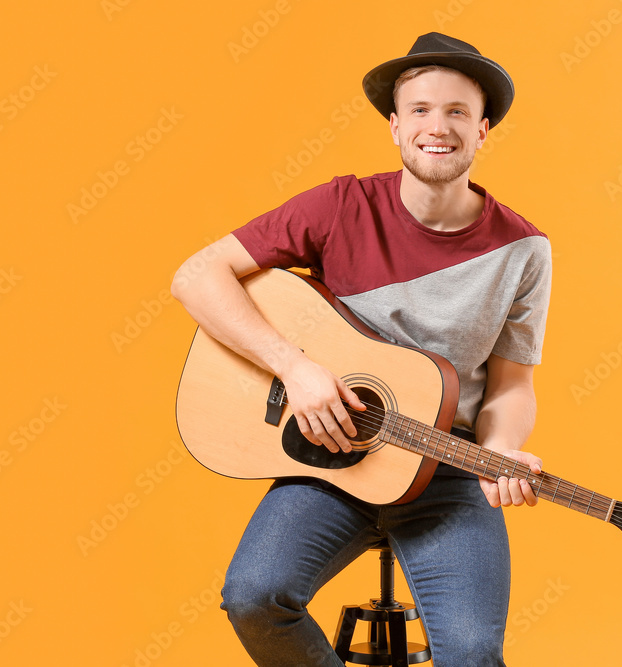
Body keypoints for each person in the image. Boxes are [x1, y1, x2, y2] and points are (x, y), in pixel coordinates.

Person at [172, 32, 552, 666]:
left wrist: (501, 452)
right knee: (254, 596)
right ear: (396, 128)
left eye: (458, 111)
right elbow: (196, 276)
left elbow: (512, 383)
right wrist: (294, 367)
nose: (440, 127)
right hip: (332, 465)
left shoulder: (524, 251)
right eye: (421, 110)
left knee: (474, 654)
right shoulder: (341, 204)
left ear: (483, 130)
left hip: (447, 470)